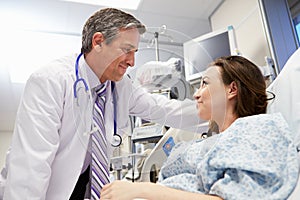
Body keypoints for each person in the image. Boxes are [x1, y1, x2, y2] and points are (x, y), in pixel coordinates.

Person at [0, 8, 203, 200]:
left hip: (82, 189)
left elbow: (163, 108)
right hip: (42, 191)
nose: (132, 61)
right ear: (98, 41)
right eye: (126, 50)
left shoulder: (121, 87)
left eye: (135, 52)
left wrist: (219, 109)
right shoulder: (50, 81)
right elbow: (31, 166)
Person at [100, 56, 299, 200]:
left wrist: (140, 190)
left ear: (232, 89)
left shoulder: (256, 129)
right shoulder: (217, 140)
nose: (196, 94)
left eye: (205, 83)